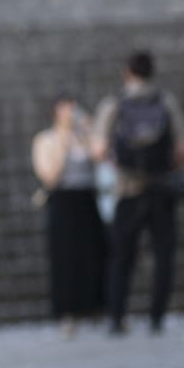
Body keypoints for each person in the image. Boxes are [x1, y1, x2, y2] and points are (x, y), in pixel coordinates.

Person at [91, 50, 184, 334]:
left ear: (127, 73)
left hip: (127, 189)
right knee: (163, 256)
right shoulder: (166, 101)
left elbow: (98, 150)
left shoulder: (114, 103)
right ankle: (156, 317)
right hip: (161, 187)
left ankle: (117, 317)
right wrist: (166, 165)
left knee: (122, 257)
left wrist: (116, 162)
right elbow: (183, 148)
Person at [30, 95, 106, 333]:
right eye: (66, 109)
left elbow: (101, 156)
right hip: (62, 202)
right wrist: (64, 140)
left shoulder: (83, 137)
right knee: (64, 257)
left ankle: (95, 306)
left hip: (87, 200)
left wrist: (90, 131)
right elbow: (50, 177)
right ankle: (66, 312)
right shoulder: (46, 139)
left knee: (94, 254)